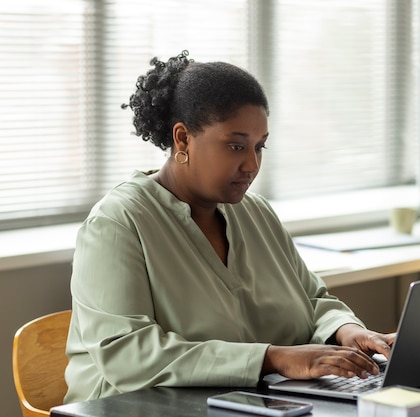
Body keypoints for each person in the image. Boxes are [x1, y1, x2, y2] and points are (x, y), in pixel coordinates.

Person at [64, 50, 396, 403]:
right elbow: (128, 355)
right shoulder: (118, 224)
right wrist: (274, 359)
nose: (252, 164)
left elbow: (313, 300)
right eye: (236, 145)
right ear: (182, 139)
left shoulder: (256, 212)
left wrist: (347, 331)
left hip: (247, 403)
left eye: (259, 147)